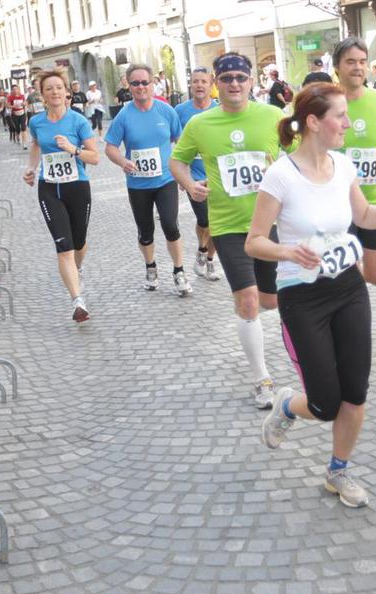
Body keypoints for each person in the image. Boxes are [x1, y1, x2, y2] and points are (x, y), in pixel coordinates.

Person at [246, 82, 376, 508]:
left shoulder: (343, 166)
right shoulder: (281, 176)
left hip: (348, 288)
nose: (348, 123)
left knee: (355, 391)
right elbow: (254, 242)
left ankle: (338, 471)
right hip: (302, 296)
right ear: (313, 122)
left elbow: (362, 214)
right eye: (340, 116)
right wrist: (288, 250)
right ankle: (287, 406)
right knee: (325, 403)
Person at [170, 52, 285, 409]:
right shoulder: (200, 124)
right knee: (248, 301)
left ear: (251, 81)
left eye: (240, 77)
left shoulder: (273, 116)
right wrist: (190, 184)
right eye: (226, 78)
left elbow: (302, 151)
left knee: (270, 301)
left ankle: (258, 323)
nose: (234, 84)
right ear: (216, 84)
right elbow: (177, 160)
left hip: (269, 223)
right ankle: (261, 379)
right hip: (228, 226)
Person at [104, 64, 193, 296]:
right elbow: (110, 147)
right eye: (135, 83)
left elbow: (181, 144)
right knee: (145, 231)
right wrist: (123, 161)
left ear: (152, 84)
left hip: (165, 180)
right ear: (129, 86)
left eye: (145, 82)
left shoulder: (166, 111)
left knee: (170, 225)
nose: (141, 87)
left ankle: (179, 271)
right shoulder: (124, 116)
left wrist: (183, 176)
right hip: (138, 184)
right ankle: (150, 267)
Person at [24, 67, 101, 322]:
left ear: (66, 91)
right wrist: (31, 168)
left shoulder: (78, 121)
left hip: (77, 186)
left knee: (79, 242)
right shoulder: (36, 122)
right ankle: (77, 301)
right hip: (49, 188)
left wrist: (73, 149)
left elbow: (95, 157)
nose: (54, 92)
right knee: (64, 247)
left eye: (59, 87)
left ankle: (77, 269)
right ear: (42, 95)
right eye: (49, 89)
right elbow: (36, 144)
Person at [334, 37, 376, 286]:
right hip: (337, 204)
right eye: (350, 62)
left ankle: (351, 279)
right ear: (337, 66)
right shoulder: (325, 102)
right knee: (344, 274)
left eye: (362, 62)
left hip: (375, 202)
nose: (358, 67)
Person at [174, 67, 221, 281]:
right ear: (191, 85)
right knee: (204, 219)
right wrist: (180, 175)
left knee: (218, 222)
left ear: (211, 85)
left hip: (218, 176)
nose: (199, 85)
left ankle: (208, 258)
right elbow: (175, 144)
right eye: (195, 81)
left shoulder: (220, 109)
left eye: (203, 81)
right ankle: (203, 250)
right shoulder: (180, 111)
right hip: (194, 177)